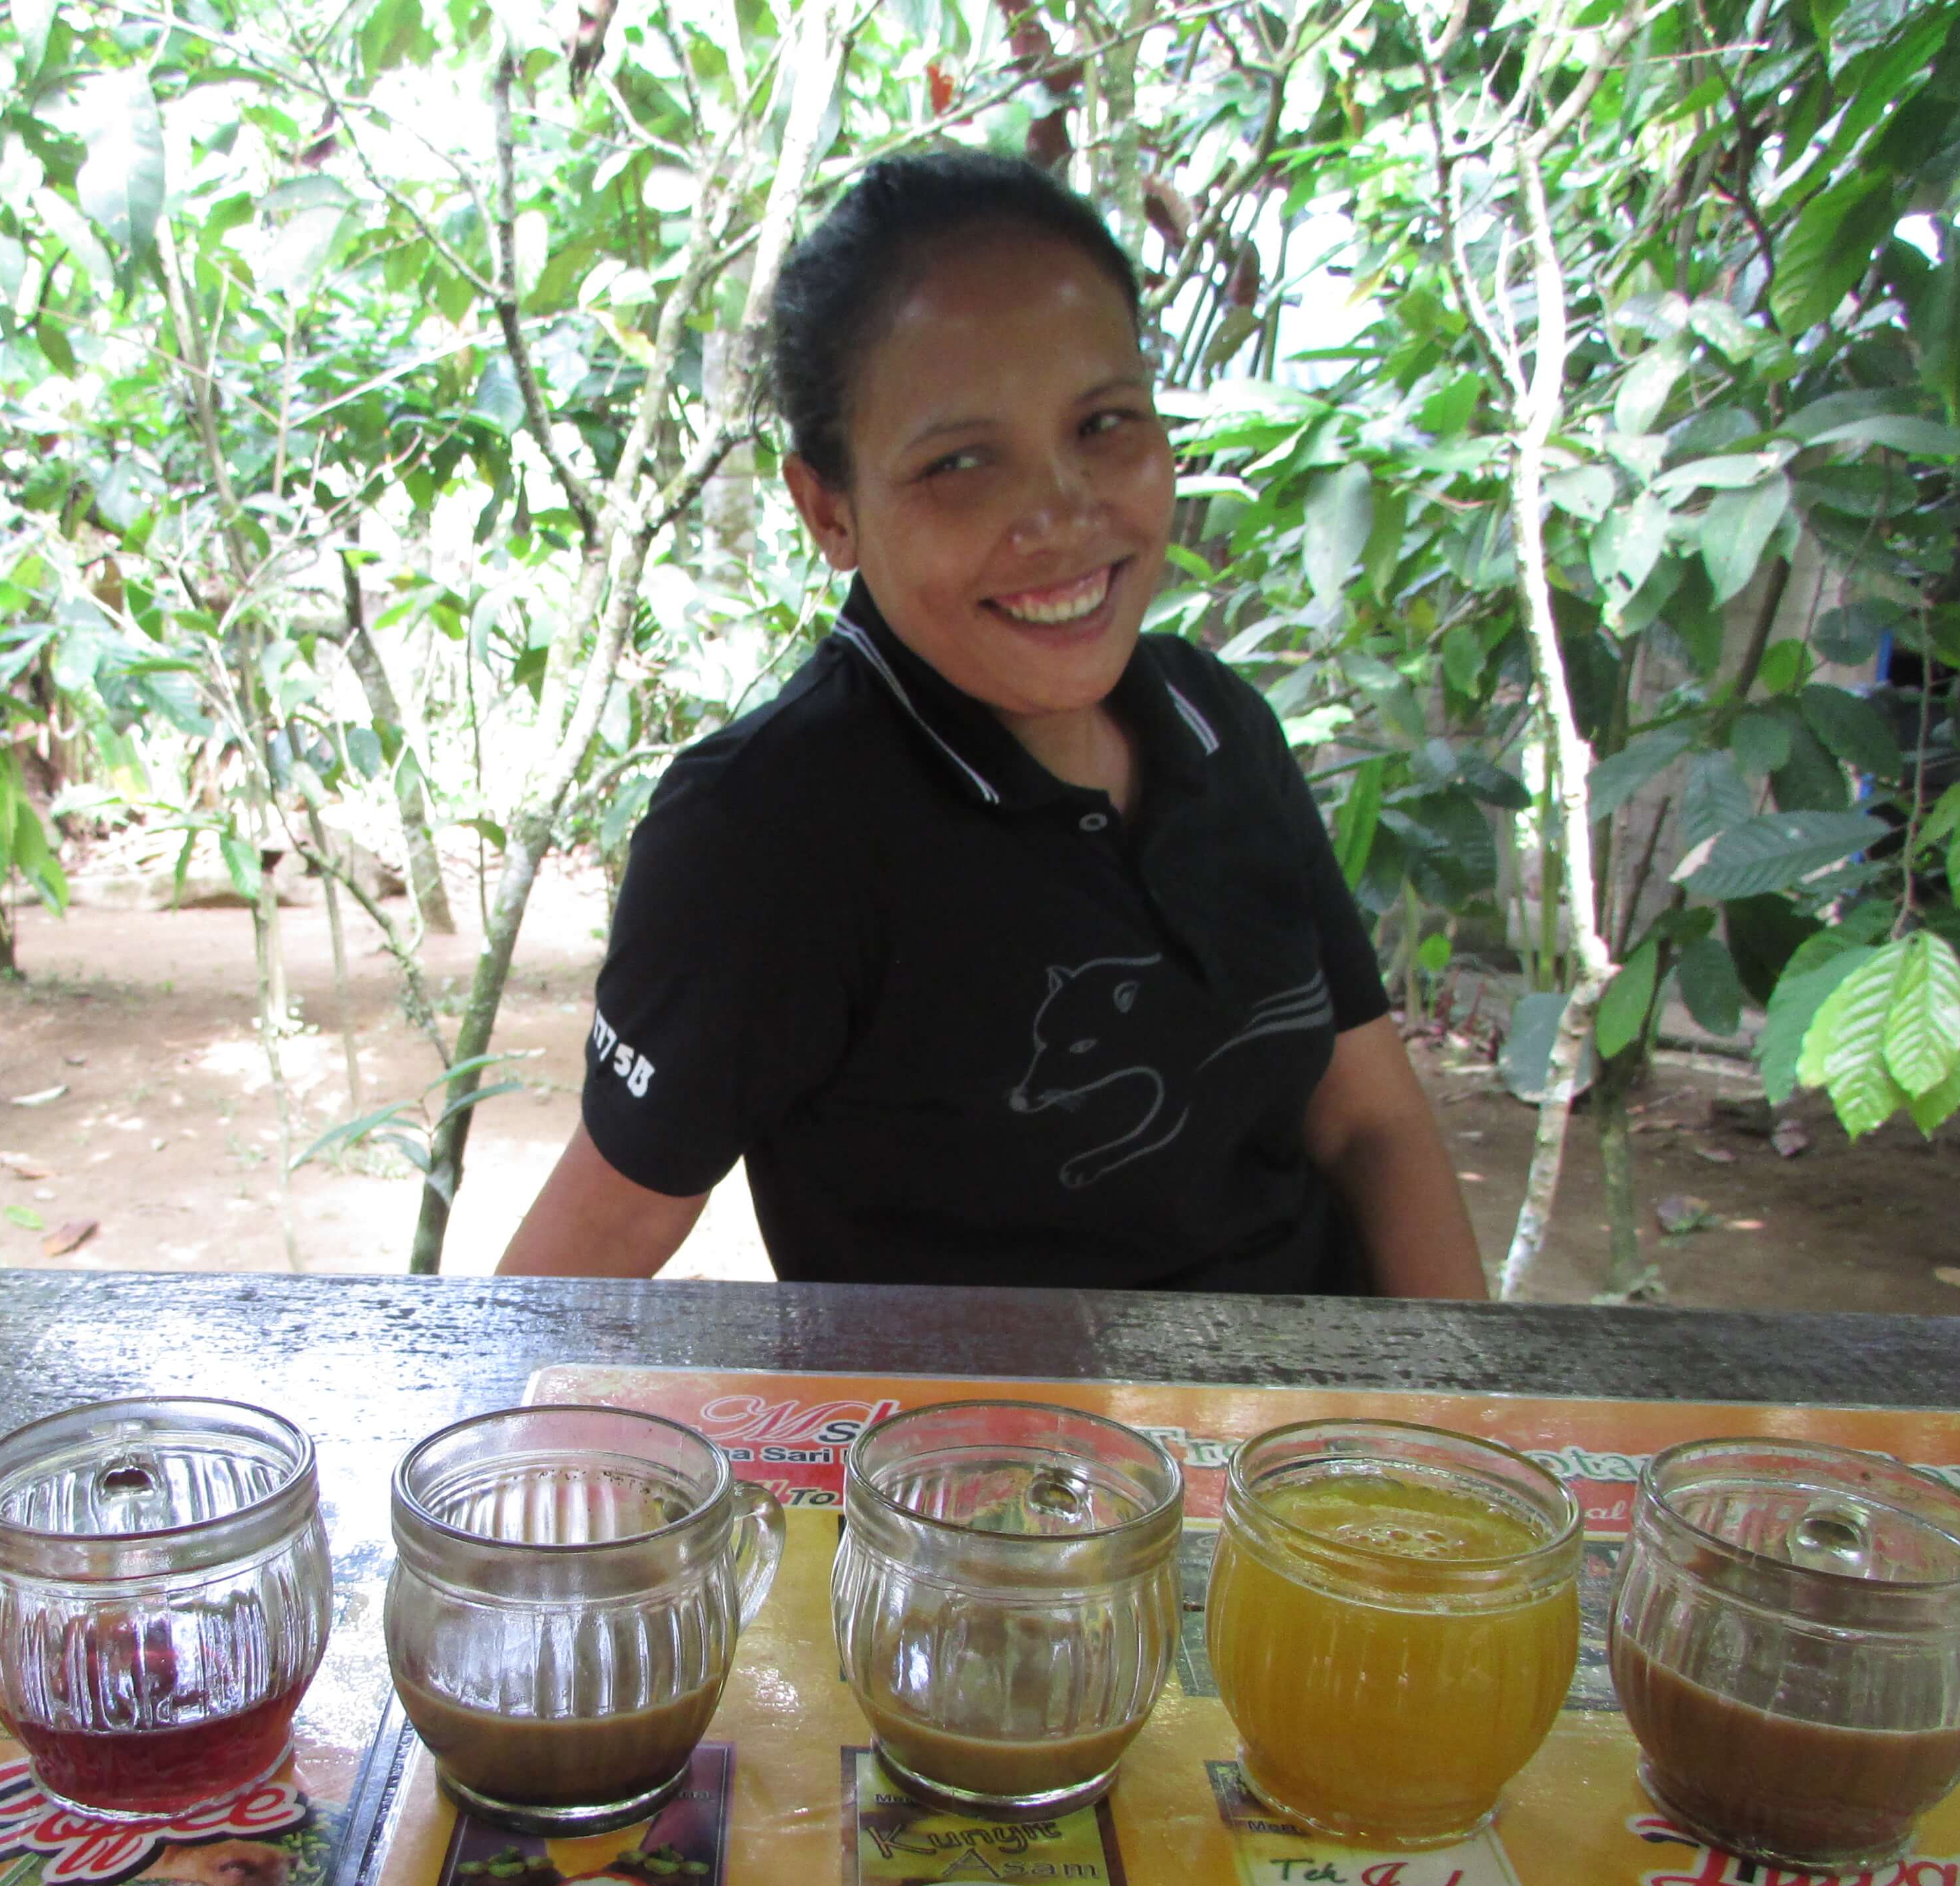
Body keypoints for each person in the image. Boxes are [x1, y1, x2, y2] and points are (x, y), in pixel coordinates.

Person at [498, 151, 1486, 1299]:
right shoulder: (770, 831)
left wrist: (1457, 1430)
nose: (1061, 514)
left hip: (1307, 1450)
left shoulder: (1221, 727)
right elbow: (603, 1234)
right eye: (961, 461)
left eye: (1105, 423)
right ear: (830, 509)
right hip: (974, 1462)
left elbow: (1369, 1121)